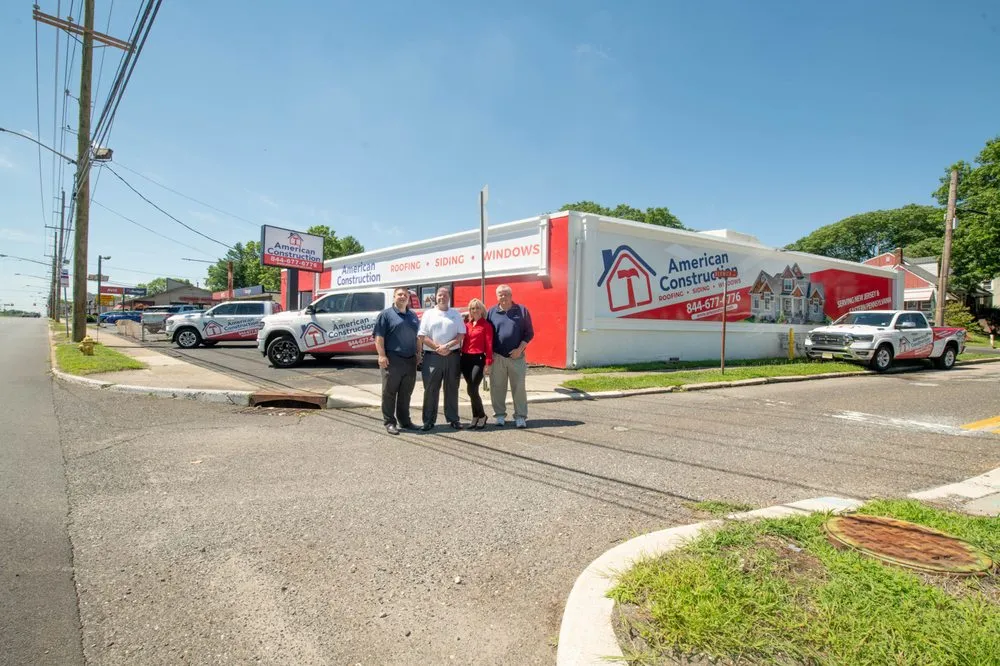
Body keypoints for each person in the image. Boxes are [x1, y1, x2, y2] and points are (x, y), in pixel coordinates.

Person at [373, 287, 421, 435]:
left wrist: (419, 353)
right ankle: (389, 422)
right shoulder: (385, 315)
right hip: (392, 359)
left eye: (405, 295)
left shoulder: (413, 316)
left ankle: (405, 421)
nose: (402, 297)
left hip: (410, 360)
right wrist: (381, 355)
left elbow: (418, 336)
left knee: (406, 393)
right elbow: (378, 337)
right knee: (389, 392)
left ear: (408, 298)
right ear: (394, 297)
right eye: (399, 294)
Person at [417, 287, 465, 431]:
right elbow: (422, 335)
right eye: (439, 295)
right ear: (435, 297)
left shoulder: (455, 314)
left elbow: (461, 334)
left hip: (452, 356)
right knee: (431, 389)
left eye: (444, 295)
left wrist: (448, 346)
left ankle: (453, 419)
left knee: (452, 388)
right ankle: (428, 421)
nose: (441, 298)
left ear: (449, 297)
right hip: (432, 357)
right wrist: (438, 347)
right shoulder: (428, 314)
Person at [487, 284, 534, 428]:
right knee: (497, 387)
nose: (503, 296)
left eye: (506, 293)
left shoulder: (521, 310)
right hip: (498, 357)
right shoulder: (491, 312)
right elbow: (488, 334)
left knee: (519, 387)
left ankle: (520, 417)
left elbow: (529, 333)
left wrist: (519, 350)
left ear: (511, 295)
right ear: (497, 296)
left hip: (517, 356)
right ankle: (500, 415)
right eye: (500, 294)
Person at [460, 298, 493, 429]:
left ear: (482, 309)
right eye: (472, 308)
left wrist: (488, 363)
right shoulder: (466, 325)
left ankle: (482, 415)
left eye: (477, 308)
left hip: (478, 359)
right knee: (471, 390)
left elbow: (489, 345)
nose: (475, 310)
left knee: (472, 388)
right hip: (465, 359)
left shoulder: (486, 325)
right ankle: (475, 416)